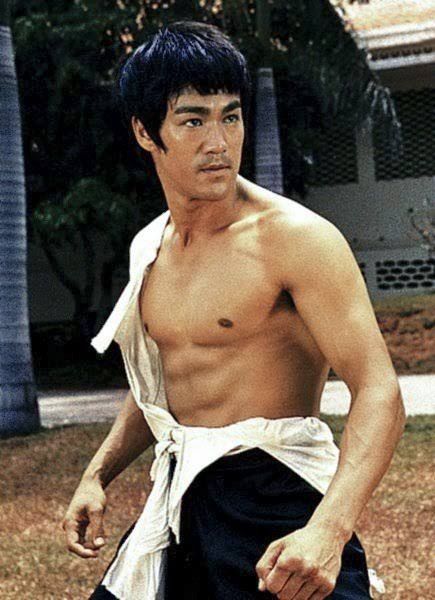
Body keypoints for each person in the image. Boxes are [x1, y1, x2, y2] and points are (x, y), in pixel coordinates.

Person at [62, 20, 406, 600]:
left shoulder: (296, 240)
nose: (219, 142)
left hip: (279, 498)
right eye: (193, 120)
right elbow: (161, 382)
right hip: (183, 499)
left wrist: (328, 530)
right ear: (145, 132)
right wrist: (97, 475)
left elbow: (380, 391)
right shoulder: (150, 248)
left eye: (231, 116)